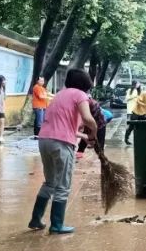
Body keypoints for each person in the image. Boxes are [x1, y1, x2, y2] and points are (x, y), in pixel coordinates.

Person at [28, 69, 98, 235]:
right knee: (63, 185)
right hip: (62, 143)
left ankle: (36, 219)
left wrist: (85, 136)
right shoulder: (80, 95)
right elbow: (88, 119)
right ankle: (57, 225)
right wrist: (94, 132)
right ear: (85, 84)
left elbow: (64, 126)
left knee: (50, 182)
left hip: (45, 140)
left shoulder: (60, 95)